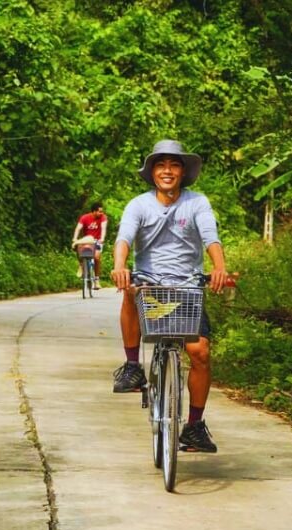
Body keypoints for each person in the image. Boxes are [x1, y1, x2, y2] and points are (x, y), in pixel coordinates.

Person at [111, 139, 229, 452]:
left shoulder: (197, 202)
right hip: (150, 286)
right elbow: (124, 237)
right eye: (161, 165)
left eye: (174, 165)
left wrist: (219, 267)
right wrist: (120, 266)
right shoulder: (138, 205)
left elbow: (210, 237)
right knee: (130, 290)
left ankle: (194, 426)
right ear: (152, 172)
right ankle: (132, 365)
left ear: (183, 172)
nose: (167, 171)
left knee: (200, 352)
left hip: (188, 287)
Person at [72, 203, 107, 287]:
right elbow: (78, 228)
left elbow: (103, 228)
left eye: (102, 211)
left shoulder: (103, 217)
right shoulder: (84, 217)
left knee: (97, 257)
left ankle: (96, 279)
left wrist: (102, 238)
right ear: (94, 211)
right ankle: (81, 264)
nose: (101, 213)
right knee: (77, 246)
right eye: (99, 211)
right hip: (86, 240)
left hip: (97, 241)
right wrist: (75, 238)